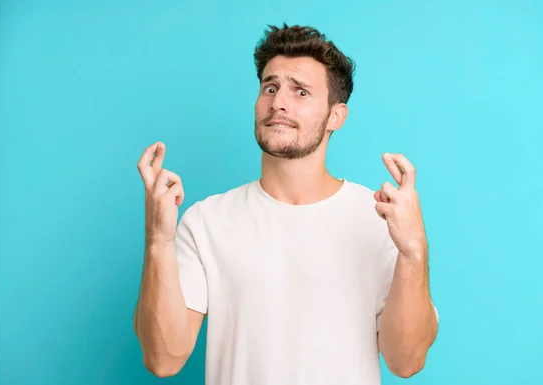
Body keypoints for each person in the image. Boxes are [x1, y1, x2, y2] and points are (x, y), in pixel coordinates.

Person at [133, 23, 439, 384]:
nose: (279, 101)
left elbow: (406, 362)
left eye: (301, 92)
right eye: (271, 87)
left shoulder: (379, 219)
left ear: (336, 116)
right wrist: (157, 240)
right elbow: (163, 360)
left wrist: (414, 251)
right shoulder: (206, 221)